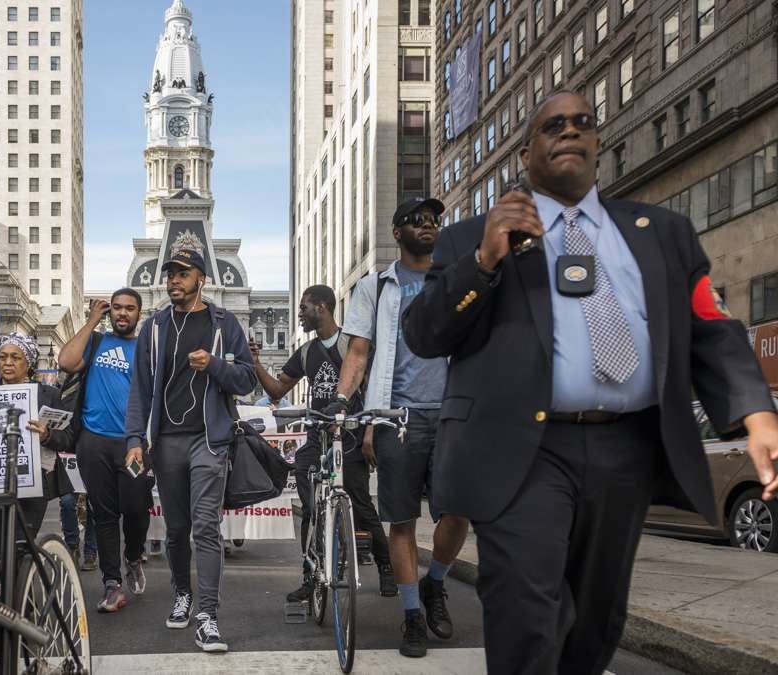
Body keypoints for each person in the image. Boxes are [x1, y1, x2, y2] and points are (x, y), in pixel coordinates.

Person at [402, 90, 778, 674]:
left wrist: (756, 413)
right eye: (554, 125)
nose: (570, 132)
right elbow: (425, 334)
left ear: (599, 142)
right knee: (528, 614)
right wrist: (483, 261)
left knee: (598, 621)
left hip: (626, 447)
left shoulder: (660, 233)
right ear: (526, 153)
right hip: (521, 451)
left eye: (583, 123)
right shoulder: (471, 237)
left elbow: (709, 325)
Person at [332, 197, 468, 659]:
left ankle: (435, 584)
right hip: (397, 419)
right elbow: (358, 352)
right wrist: (344, 401)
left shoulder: (454, 281)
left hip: (452, 414)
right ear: (397, 232)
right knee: (402, 520)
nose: (426, 226)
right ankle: (412, 616)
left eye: (432, 220)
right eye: (415, 221)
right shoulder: (376, 287)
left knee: (457, 512)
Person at [125, 248, 258, 653]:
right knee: (177, 529)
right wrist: (135, 439)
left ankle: (208, 616)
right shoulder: (154, 328)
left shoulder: (224, 323)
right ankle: (182, 593)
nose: (173, 281)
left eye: (182, 274)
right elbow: (140, 389)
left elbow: (247, 380)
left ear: (200, 277)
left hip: (209, 440)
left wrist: (215, 364)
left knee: (205, 527)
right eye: (170, 274)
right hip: (166, 443)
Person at [248, 285, 396, 604]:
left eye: (304, 308)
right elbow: (276, 389)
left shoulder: (351, 344)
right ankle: (310, 575)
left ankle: (386, 567)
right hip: (317, 436)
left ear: (323, 308)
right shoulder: (306, 353)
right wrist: (256, 363)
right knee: (311, 508)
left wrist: (370, 433)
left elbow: (373, 392)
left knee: (360, 501)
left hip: (350, 434)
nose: (300, 314)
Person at [57, 290, 152, 613]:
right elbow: (66, 362)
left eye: (130, 308)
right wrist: (92, 321)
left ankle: (133, 555)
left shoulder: (145, 348)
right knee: (105, 515)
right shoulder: (96, 343)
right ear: (110, 311)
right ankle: (112, 584)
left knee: (138, 505)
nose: (123, 313)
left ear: (140, 313)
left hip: (133, 445)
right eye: (117, 308)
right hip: (93, 443)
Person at [0, 333, 75, 541]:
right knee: (3, 542)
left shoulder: (48, 395)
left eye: (16, 357)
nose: (8, 363)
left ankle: (20, 568)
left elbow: (68, 437)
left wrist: (47, 435)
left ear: (28, 362)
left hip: (35, 482)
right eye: (3, 357)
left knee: (21, 542)